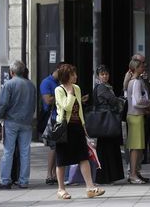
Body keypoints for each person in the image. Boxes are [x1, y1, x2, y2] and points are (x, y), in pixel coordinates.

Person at [54, 64, 104, 200]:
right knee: (61, 159)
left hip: (77, 127)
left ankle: (90, 187)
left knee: (83, 157)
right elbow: (66, 106)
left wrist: (84, 126)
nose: (76, 76)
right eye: (73, 74)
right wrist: (69, 94)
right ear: (66, 76)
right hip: (64, 129)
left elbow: (79, 109)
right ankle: (61, 189)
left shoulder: (77, 88)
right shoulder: (59, 90)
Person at [0, 60, 37, 189]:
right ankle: (24, 180)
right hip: (26, 122)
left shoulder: (9, 84)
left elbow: (3, 103)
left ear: (11, 72)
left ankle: (6, 180)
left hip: (11, 121)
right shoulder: (31, 85)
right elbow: (34, 104)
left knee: (8, 151)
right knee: (25, 152)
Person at [93, 64, 124, 184]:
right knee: (106, 148)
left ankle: (109, 176)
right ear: (98, 76)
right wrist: (120, 101)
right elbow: (113, 100)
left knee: (107, 148)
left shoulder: (105, 87)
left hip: (106, 121)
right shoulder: (101, 87)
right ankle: (106, 176)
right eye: (102, 74)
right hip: (106, 121)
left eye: (106, 74)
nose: (105, 76)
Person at [39, 62, 65, 185]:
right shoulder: (47, 82)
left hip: (60, 117)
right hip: (52, 118)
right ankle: (49, 174)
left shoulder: (59, 82)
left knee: (58, 147)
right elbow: (48, 100)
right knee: (53, 147)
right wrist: (61, 94)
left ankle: (54, 173)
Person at [126, 59, 150, 184]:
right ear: (136, 68)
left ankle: (135, 172)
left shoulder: (134, 81)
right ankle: (133, 174)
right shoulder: (136, 82)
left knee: (137, 147)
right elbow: (138, 101)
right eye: (141, 66)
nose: (143, 68)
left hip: (134, 115)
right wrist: (149, 103)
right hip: (136, 116)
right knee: (136, 147)